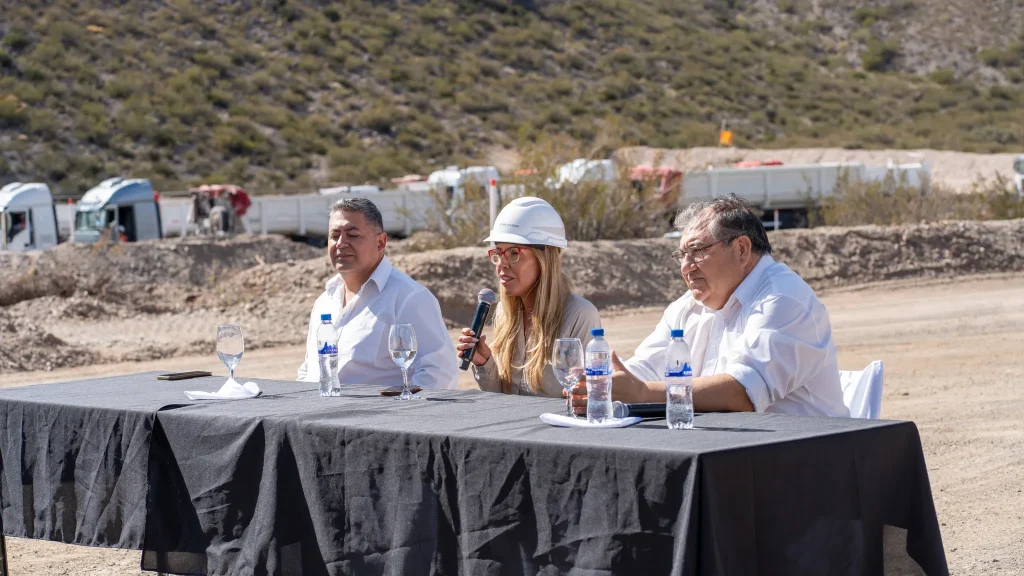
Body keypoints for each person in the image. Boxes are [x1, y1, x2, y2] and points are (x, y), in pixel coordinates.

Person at [570, 194, 849, 417]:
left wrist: (641, 393)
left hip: (807, 457)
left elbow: (742, 393)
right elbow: (646, 369)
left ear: (741, 249)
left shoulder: (783, 299)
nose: (686, 267)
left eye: (697, 251)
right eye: (681, 255)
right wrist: (603, 384)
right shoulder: (687, 307)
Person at [298, 197, 459, 389]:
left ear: (380, 242)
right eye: (335, 235)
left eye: (352, 235)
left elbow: (439, 373)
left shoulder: (408, 298)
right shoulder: (325, 301)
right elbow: (309, 370)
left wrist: (395, 408)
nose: (341, 243)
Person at [457, 197, 601, 397]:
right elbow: (505, 399)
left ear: (544, 258)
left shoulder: (580, 315)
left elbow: (585, 398)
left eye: (514, 253)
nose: (501, 264)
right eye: (498, 253)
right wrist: (484, 363)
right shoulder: (504, 312)